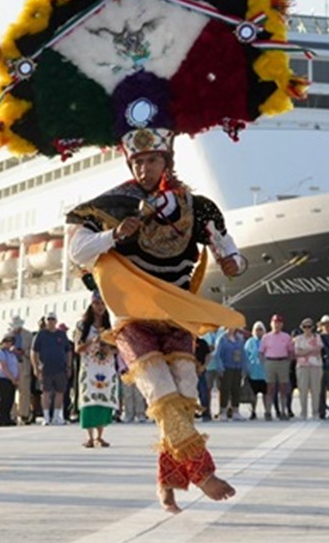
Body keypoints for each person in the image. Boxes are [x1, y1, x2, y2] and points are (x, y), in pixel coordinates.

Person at [67, 125, 246, 512]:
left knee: (183, 395)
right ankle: (202, 473)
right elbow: (76, 251)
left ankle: (166, 481)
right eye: (138, 162)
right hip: (132, 317)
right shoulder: (113, 205)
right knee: (161, 394)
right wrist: (114, 234)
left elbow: (229, 250)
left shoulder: (199, 207)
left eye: (152, 160)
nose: (144, 168)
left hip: (177, 314)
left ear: (167, 160)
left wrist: (233, 262)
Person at [74, 293, 117, 445]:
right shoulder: (82, 326)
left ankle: (99, 435)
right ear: (92, 305)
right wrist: (92, 342)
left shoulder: (110, 327)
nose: (100, 307)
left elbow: (117, 349)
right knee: (89, 398)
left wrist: (108, 345)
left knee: (103, 399)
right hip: (89, 368)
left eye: (102, 304)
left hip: (106, 367)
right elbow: (77, 348)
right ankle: (89, 436)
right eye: (97, 303)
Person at [31, 313, 69, 425]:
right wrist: (35, 367)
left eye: (53, 319)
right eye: (49, 319)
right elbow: (34, 352)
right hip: (45, 368)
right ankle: (46, 416)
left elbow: (68, 351)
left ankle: (57, 416)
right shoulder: (40, 335)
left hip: (60, 368)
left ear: (56, 321)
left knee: (60, 392)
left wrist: (69, 366)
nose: (51, 321)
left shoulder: (62, 335)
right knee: (46, 392)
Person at [259, 313, 294, 419]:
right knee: (270, 387)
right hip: (270, 362)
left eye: (279, 323)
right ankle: (268, 411)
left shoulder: (286, 336)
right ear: (271, 324)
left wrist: (288, 362)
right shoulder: (266, 337)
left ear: (282, 324)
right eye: (275, 323)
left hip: (283, 361)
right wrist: (264, 363)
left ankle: (283, 411)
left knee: (283, 388)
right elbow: (261, 352)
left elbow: (291, 351)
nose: (276, 325)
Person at [293, 317, 324, 420]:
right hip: (302, 367)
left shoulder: (317, 337)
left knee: (316, 390)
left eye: (309, 326)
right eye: (305, 326)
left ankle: (315, 412)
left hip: (316, 366)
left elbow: (318, 350)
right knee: (303, 390)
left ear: (312, 327)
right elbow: (297, 353)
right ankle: (303, 412)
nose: (307, 328)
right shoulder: (298, 339)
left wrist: (304, 351)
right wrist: (310, 350)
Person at [216, 324, 247, 419]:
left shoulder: (240, 339)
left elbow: (243, 354)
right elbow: (217, 354)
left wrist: (244, 368)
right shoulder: (222, 339)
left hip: (237, 367)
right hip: (226, 367)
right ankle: (223, 411)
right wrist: (220, 367)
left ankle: (236, 411)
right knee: (225, 389)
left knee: (236, 389)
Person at [9, 315, 34, 423]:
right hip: (11, 367)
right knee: (10, 392)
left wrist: (23, 352)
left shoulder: (28, 336)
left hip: (23, 364)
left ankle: (24, 414)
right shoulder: (7, 336)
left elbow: (33, 351)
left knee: (24, 392)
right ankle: (12, 414)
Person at [243, 321, 268, 419]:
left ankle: (267, 411)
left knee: (265, 394)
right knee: (253, 394)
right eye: (257, 330)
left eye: (260, 329)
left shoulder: (267, 340)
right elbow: (245, 356)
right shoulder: (250, 342)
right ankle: (253, 412)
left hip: (264, 372)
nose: (259, 332)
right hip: (253, 371)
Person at [0, 335, 20, 426]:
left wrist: (17, 377)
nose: (9, 344)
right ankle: (1, 418)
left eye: (11, 342)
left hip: (12, 379)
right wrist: (12, 378)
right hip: (3, 378)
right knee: (3, 399)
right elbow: (3, 367)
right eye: (7, 342)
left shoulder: (11, 354)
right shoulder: (1, 352)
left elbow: (15, 366)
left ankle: (7, 417)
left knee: (10, 400)